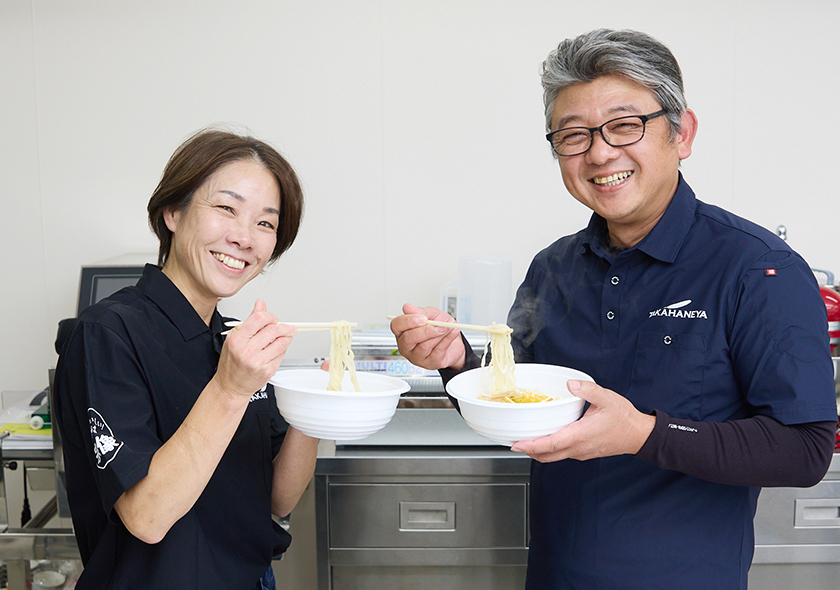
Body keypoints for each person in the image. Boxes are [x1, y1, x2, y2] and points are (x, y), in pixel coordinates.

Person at [390, 29, 838, 590]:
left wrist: (644, 433)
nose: (600, 153)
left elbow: (805, 451)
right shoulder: (553, 268)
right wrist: (455, 362)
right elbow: (514, 407)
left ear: (682, 133)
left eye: (625, 126)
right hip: (555, 575)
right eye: (573, 135)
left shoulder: (759, 269)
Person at [54, 128, 319, 589]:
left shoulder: (230, 338)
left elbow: (278, 499)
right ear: (172, 212)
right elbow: (146, 515)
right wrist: (230, 389)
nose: (244, 237)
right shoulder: (107, 334)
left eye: (265, 223)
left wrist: (316, 407)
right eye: (226, 208)